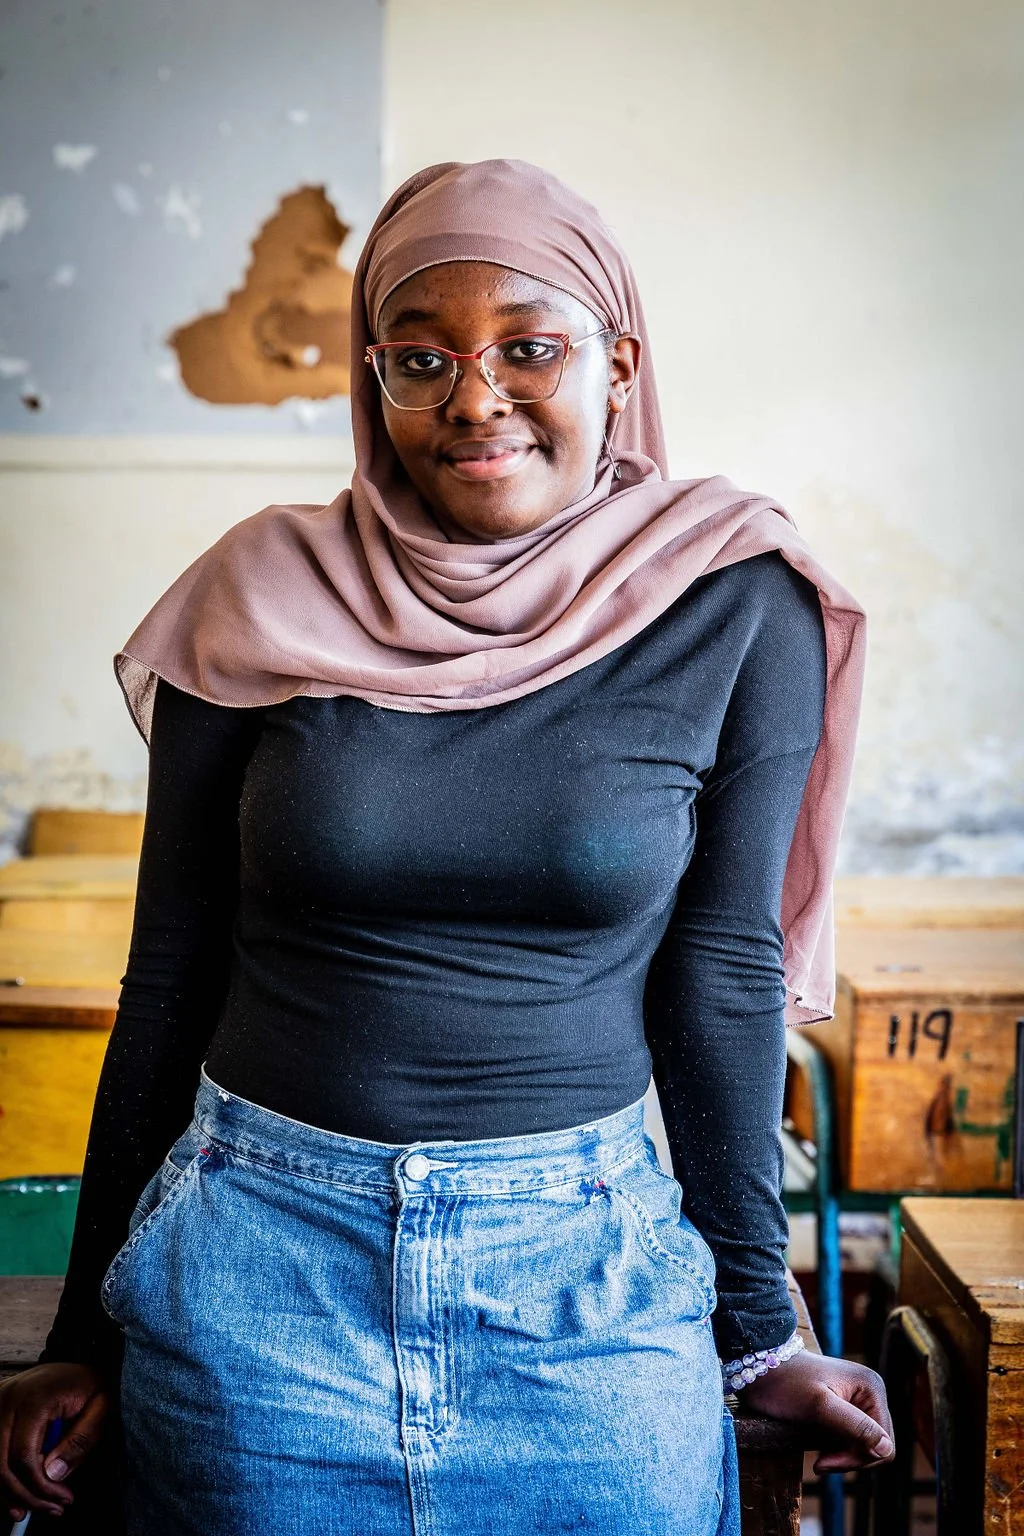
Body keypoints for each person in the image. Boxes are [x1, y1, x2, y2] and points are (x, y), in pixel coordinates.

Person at [0, 159, 892, 1535]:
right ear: (373, 382)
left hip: (587, 1285)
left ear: (620, 361)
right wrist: (85, 1335)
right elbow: (169, 974)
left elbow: (722, 975)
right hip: (257, 1276)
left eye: (530, 349)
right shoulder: (260, 592)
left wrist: (757, 1329)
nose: (475, 398)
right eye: (421, 360)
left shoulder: (735, 596)